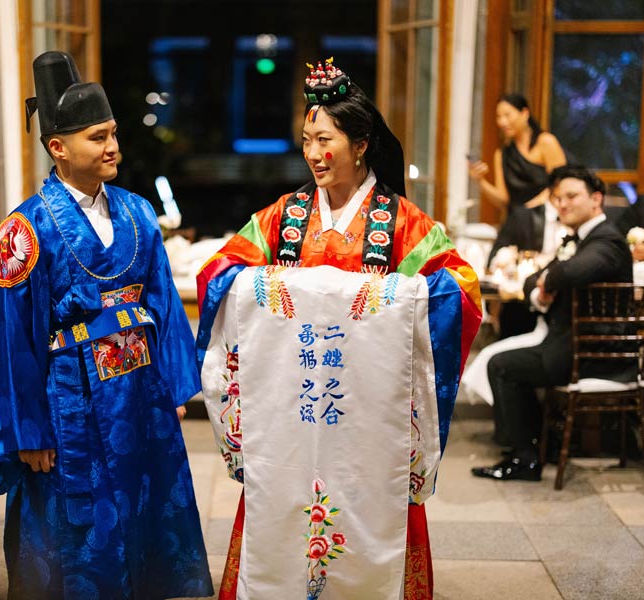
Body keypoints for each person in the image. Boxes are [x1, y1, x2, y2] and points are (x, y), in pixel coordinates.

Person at [196, 58, 482, 600]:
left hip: (372, 413)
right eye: (306, 140)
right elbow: (219, 272)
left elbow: (461, 288)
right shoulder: (284, 216)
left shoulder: (399, 221)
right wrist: (271, 287)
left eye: (325, 140)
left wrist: (396, 297)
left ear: (361, 143)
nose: (313, 154)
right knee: (280, 497)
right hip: (293, 409)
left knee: (373, 506)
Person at [0, 51, 212, 599]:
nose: (113, 148)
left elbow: (163, 303)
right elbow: (8, 341)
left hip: (140, 393)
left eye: (113, 134)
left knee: (146, 508)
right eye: (97, 138)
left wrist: (174, 386)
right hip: (68, 405)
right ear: (58, 148)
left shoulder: (137, 213)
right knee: (74, 528)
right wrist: (26, 432)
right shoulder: (24, 230)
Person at [472, 165, 632, 482]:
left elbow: (566, 273)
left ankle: (526, 457)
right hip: (570, 345)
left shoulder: (608, 241)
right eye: (558, 198)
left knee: (502, 365)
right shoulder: (577, 241)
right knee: (498, 360)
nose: (562, 204)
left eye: (572, 196)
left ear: (596, 199)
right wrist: (541, 290)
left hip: (597, 355)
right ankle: (531, 447)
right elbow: (533, 281)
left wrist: (549, 279)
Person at [469, 94, 568, 341]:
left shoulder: (546, 143)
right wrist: (480, 182)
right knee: (499, 276)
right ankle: (504, 332)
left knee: (537, 278)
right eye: (498, 117)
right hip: (515, 224)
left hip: (545, 221)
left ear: (525, 113)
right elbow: (503, 199)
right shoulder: (503, 154)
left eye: (507, 115)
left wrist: (535, 204)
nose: (502, 122)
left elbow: (561, 182)